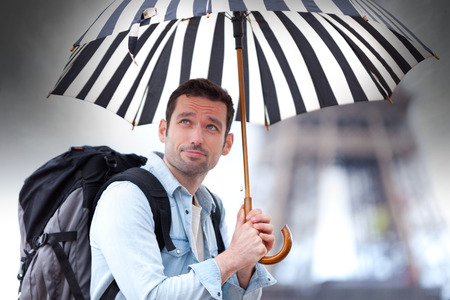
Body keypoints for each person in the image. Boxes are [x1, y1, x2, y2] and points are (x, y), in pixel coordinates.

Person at [90, 78, 276, 299]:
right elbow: (150, 296)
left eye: (211, 127)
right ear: (163, 130)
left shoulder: (213, 209)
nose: (197, 139)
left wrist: (245, 266)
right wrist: (233, 257)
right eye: (186, 122)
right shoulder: (127, 196)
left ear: (227, 144)